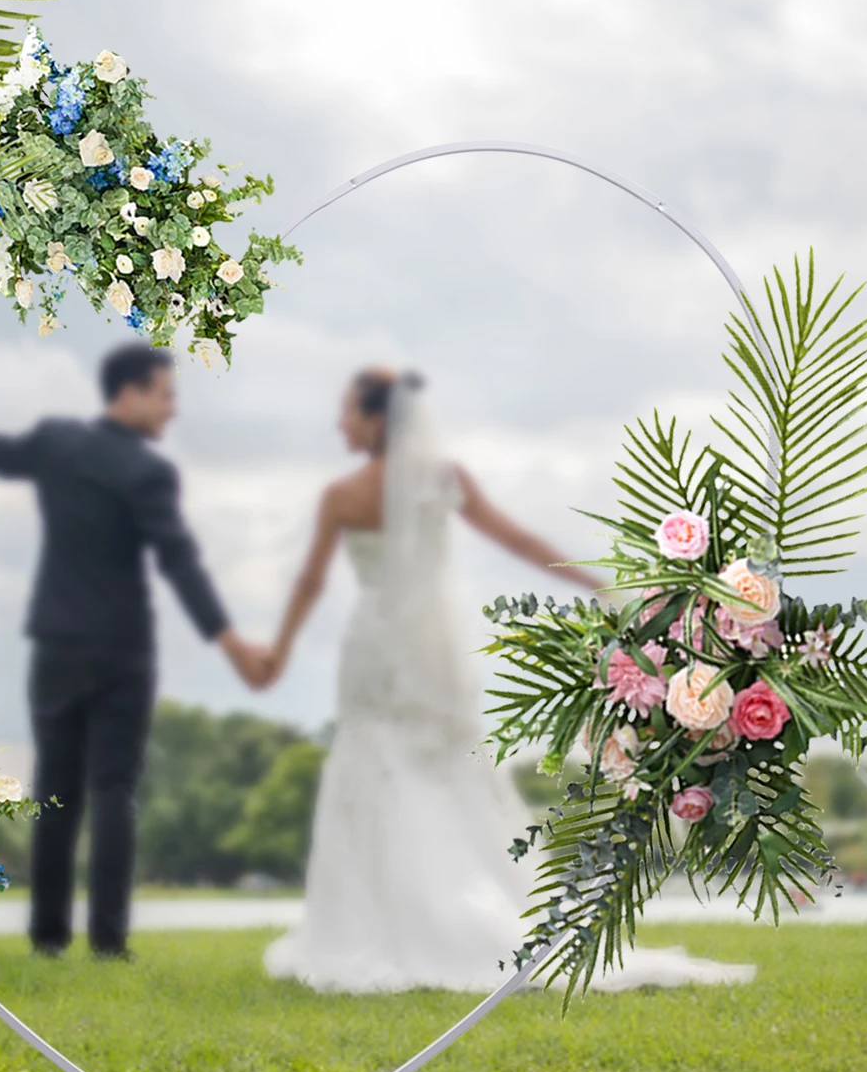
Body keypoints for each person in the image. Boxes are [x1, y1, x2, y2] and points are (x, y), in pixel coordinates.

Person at [255, 367, 757, 996]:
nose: (340, 424)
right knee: (440, 773)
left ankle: (385, 924)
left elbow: (309, 582)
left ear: (379, 419)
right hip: (428, 647)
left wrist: (276, 652)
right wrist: (600, 585)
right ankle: (444, 916)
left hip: (375, 644)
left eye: (349, 413)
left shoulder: (343, 495)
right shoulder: (442, 481)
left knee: (377, 762)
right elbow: (518, 540)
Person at [0, 342, 270, 960]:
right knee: (114, 791)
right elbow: (180, 563)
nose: (172, 411)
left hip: (58, 644)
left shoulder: (57, 444)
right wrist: (232, 645)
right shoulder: (149, 473)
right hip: (123, 649)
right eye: (166, 395)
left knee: (57, 792)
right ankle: (109, 943)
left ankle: (47, 939)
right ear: (131, 392)